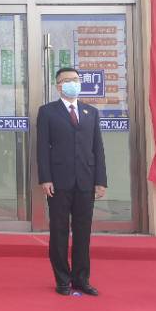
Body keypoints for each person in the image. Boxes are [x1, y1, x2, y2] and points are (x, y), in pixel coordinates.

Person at [36, 66, 107, 296]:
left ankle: (82, 279)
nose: (72, 84)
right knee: (59, 232)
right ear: (58, 86)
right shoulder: (47, 112)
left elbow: (98, 148)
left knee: (83, 232)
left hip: (85, 181)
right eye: (67, 81)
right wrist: (45, 178)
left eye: (75, 80)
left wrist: (100, 180)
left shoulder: (90, 112)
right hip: (58, 182)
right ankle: (63, 279)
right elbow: (42, 149)